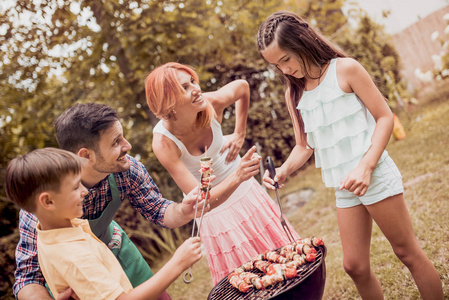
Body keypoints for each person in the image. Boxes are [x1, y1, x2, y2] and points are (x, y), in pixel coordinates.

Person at [257, 10, 443, 300]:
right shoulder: (294, 94)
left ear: (302, 43)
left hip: (374, 173)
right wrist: (282, 171)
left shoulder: (345, 69)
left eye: (286, 59)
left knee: (407, 252)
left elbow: (384, 117)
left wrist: (366, 167)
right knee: (354, 266)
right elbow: (304, 146)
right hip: (345, 187)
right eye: (275, 65)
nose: (284, 70)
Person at [13, 103, 209, 300]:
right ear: (86, 155)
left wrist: (183, 210)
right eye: (116, 142)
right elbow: (27, 277)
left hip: (117, 251)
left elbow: (157, 209)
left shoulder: (126, 168)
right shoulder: (41, 207)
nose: (127, 146)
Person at [145, 62, 300, 285]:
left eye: (193, 82)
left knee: (283, 259)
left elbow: (242, 87)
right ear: (168, 104)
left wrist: (239, 133)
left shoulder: (208, 102)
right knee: (249, 279)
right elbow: (201, 202)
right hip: (216, 212)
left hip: (247, 192)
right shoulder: (163, 142)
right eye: (185, 88)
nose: (196, 89)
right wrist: (237, 176)